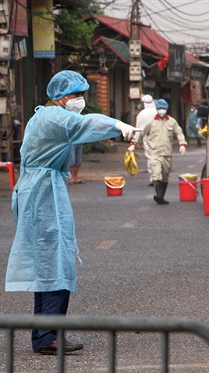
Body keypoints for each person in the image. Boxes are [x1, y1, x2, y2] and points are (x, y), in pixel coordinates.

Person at [4, 70, 138, 355]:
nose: (81, 100)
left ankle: (43, 335)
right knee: (56, 263)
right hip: (43, 193)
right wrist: (118, 125)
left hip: (35, 190)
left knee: (46, 265)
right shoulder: (56, 117)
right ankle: (48, 336)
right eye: (77, 95)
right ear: (61, 96)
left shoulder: (41, 115)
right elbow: (87, 123)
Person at [128, 99, 187, 205]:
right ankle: (159, 195)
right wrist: (133, 144)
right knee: (156, 174)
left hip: (167, 154)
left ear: (167, 109)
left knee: (165, 175)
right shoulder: (150, 121)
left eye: (163, 108)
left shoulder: (172, 122)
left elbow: (179, 132)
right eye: (159, 108)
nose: (161, 110)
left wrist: (182, 144)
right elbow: (140, 132)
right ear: (156, 109)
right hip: (154, 153)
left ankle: (161, 196)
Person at [136, 94, 156, 186]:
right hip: (159, 136)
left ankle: (153, 178)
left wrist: (137, 142)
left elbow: (138, 129)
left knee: (149, 157)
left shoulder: (141, 114)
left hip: (147, 137)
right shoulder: (157, 111)